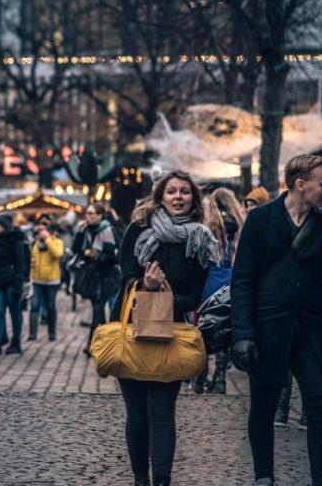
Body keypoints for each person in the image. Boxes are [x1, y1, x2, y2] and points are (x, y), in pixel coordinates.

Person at [230, 154, 322, 486]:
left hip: (315, 330)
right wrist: (243, 333)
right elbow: (242, 281)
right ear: (301, 184)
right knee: (264, 406)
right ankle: (264, 476)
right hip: (268, 328)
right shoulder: (260, 220)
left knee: (320, 406)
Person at [117, 170, 218, 486]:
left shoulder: (200, 238)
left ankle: (161, 480)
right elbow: (125, 278)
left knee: (161, 414)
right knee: (137, 414)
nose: (178, 197)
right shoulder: (138, 229)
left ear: (193, 198)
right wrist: (144, 284)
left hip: (170, 333)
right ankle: (139, 479)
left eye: (184, 192)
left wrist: (164, 293)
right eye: (171, 191)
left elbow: (194, 296)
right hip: (133, 329)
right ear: (159, 196)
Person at [196, 187, 245, 395]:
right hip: (231, 279)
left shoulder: (208, 225)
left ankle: (200, 374)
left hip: (210, 279)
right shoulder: (242, 225)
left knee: (204, 325)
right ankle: (221, 378)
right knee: (226, 325)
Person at [74, 204, 119, 352]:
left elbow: (115, 255)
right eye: (87, 213)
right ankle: (100, 344)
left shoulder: (108, 231)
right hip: (92, 277)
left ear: (100, 216)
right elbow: (75, 250)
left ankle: (93, 345)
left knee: (99, 310)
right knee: (97, 311)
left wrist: (97, 256)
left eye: (93, 214)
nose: (89, 216)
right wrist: (79, 234)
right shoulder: (86, 230)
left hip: (107, 277)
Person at [0, 211, 29, 354]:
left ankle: (16, 343)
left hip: (12, 281)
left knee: (15, 312)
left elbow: (20, 263)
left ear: (4, 225)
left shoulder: (16, 239)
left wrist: (18, 283)